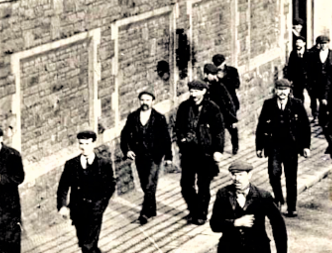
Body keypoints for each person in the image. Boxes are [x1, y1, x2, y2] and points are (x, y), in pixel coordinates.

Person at [255, 78, 311, 217]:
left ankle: (292, 206)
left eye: (285, 90)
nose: (282, 93)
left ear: (289, 91)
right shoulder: (268, 104)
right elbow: (261, 126)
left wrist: (306, 146)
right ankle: (279, 199)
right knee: (274, 174)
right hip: (274, 146)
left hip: (291, 147)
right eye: (279, 90)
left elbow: (305, 127)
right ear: (275, 91)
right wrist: (259, 147)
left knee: (291, 177)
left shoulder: (297, 104)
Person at [174, 79, 226, 225]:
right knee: (186, 185)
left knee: (203, 185)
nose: (193, 94)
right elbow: (178, 128)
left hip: (206, 154)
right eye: (191, 91)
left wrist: (218, 150)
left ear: (203, 91)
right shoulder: (184, 107)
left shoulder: (212, 108)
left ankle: (201, 214)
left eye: (196, 91)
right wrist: (182, 140)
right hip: (189, 153)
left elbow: (219, 131)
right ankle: (194, 209)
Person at [210, 160, 288, 253]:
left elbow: (278, 225)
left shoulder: (262, 196)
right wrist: (235, 223)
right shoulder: (223, 194)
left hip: (258, 248)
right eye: (234, 174)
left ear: (249, 175)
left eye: (240, 175)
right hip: (230, 248)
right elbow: (214, 224)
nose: (237, 178)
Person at [56, 130, 115, 253]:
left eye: (87, 144)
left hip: (95, 209)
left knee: (88, 244)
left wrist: (101, 205)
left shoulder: (104, 163)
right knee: (84, 241)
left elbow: (110, 186)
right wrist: (62, 205)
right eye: (81, 143)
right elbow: (63, 186)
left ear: (93, 144)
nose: (83, 147)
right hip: (77, 209)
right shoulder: (71, 164)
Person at [120, 90, 173, 224]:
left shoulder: (159, 118)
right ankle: (152, 209)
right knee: (145, 184)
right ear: (139, 101)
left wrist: (168, 157)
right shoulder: (133, 117)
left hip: (155, 155)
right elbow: (125, 135)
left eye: (147, 100)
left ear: (152, 101)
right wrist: (127, 150)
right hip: (140, 156)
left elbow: (166, 138)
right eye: (142, 100)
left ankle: (144, 213)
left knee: (150, 183)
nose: (145, 103)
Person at [205, 63, 240, 154]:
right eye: (212, 74)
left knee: (232, 130)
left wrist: (233, 118)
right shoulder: (202, 86)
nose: (214, 77)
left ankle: (235, 146)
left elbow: (228, 102)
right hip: (211, 115)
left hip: (224, 113)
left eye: (215, 74)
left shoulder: (219, 86)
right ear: (206, 74)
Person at [213, 53, 242, 155]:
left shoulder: (232, 71)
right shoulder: (213, 73)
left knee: (232, 126)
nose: (218, 67)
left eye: (220, 64)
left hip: (230, 104)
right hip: (218, 104)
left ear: (224, 62)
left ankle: (235, 145)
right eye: (216, 65)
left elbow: (237, 84)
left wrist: (223, 79)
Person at [305, 35, 332, 126]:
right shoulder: (312, 54)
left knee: (326, 101)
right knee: (316, 99)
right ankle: (318, 118)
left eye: (325, 43)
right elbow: (309, 69)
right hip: (316, 82)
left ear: (328, 43)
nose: (323, 45)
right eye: (321, 44)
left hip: (329, 82)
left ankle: (325, 120)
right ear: (318, 44)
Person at [284, 37, 308, 102]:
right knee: (298, 94)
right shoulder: (293, 53)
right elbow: (290, 66)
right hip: (298, 78)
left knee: (312, 95)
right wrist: (290, 78)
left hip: (308, 77)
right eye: (296, 42)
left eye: (300, 42)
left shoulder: (308, 53)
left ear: (304, 43)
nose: (298, 44)